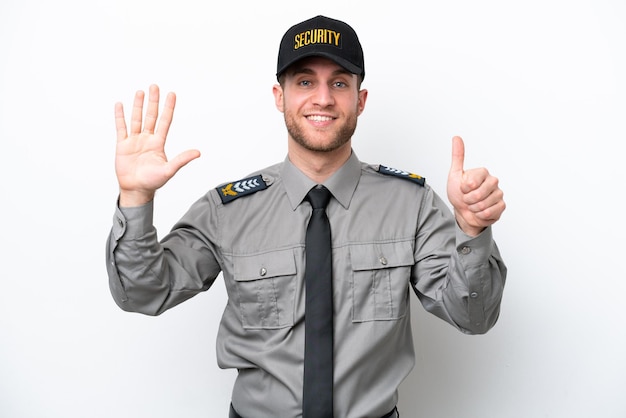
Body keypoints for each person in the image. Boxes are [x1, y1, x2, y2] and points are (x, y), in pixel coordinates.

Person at [106, 15, 507, 418]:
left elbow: (473, 316)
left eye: (338, 82)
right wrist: (136, 198)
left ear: (360, 100)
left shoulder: (412, 204)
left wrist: (471, 230)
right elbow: (143, 293)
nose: (323, 98)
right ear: (279, 97)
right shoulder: (227, 210)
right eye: (304, 82)